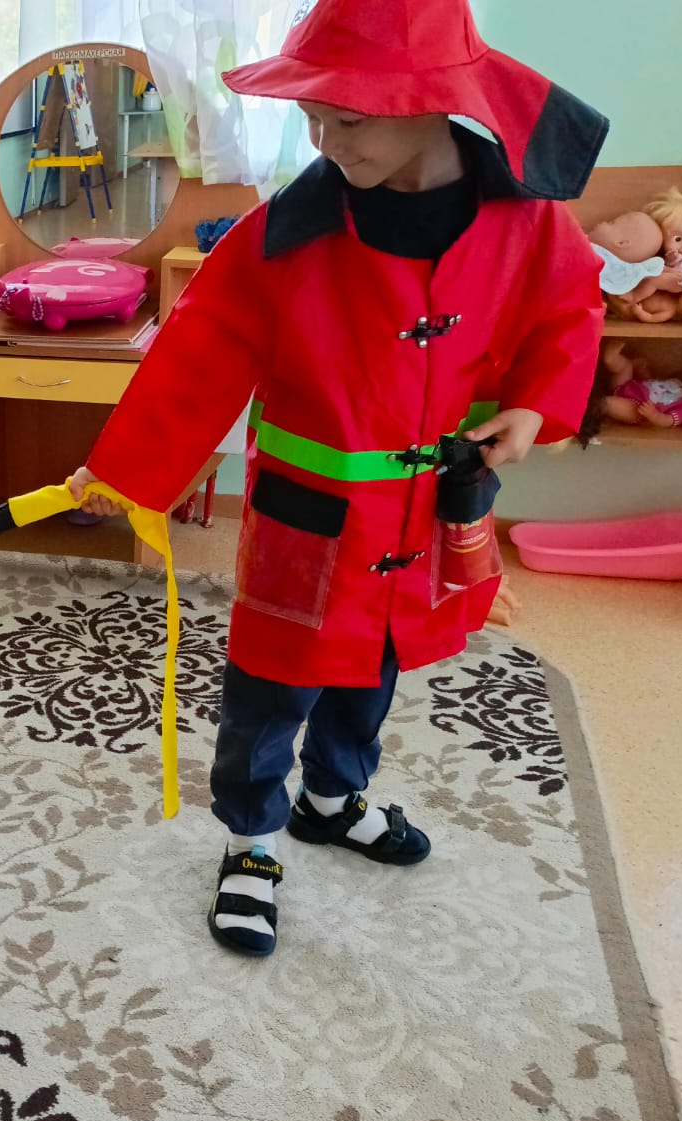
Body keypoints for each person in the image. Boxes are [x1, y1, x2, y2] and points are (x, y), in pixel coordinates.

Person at [68, 0, 609, 957]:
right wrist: (127, 472)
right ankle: (250, 841)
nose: (323, 142)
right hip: (305, 519)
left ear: (434, 103)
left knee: (375, 667)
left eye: (347, 120)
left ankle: (331, 798)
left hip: (421, 512)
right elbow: (198, 350)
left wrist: (533, 405)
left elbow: (567, 309)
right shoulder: (286, 232)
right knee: (271, 685)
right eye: (312, 118)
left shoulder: (525, 219)